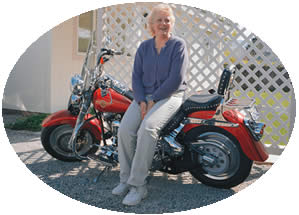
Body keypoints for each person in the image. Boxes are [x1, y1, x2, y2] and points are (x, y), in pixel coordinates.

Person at [112, 3, 189, 206]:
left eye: (167, 20)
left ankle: (138, 186)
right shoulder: (144, 47)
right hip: (143, 97)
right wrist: (141, 100)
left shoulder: (178, 45)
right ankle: (126, 180)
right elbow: (136, 77)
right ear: (152, 24)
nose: (164, 24)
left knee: (147, 129)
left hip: (170, 96)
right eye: (159, 20)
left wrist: (153, 99)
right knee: (125, 131)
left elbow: (176, 79)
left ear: (172, 23)